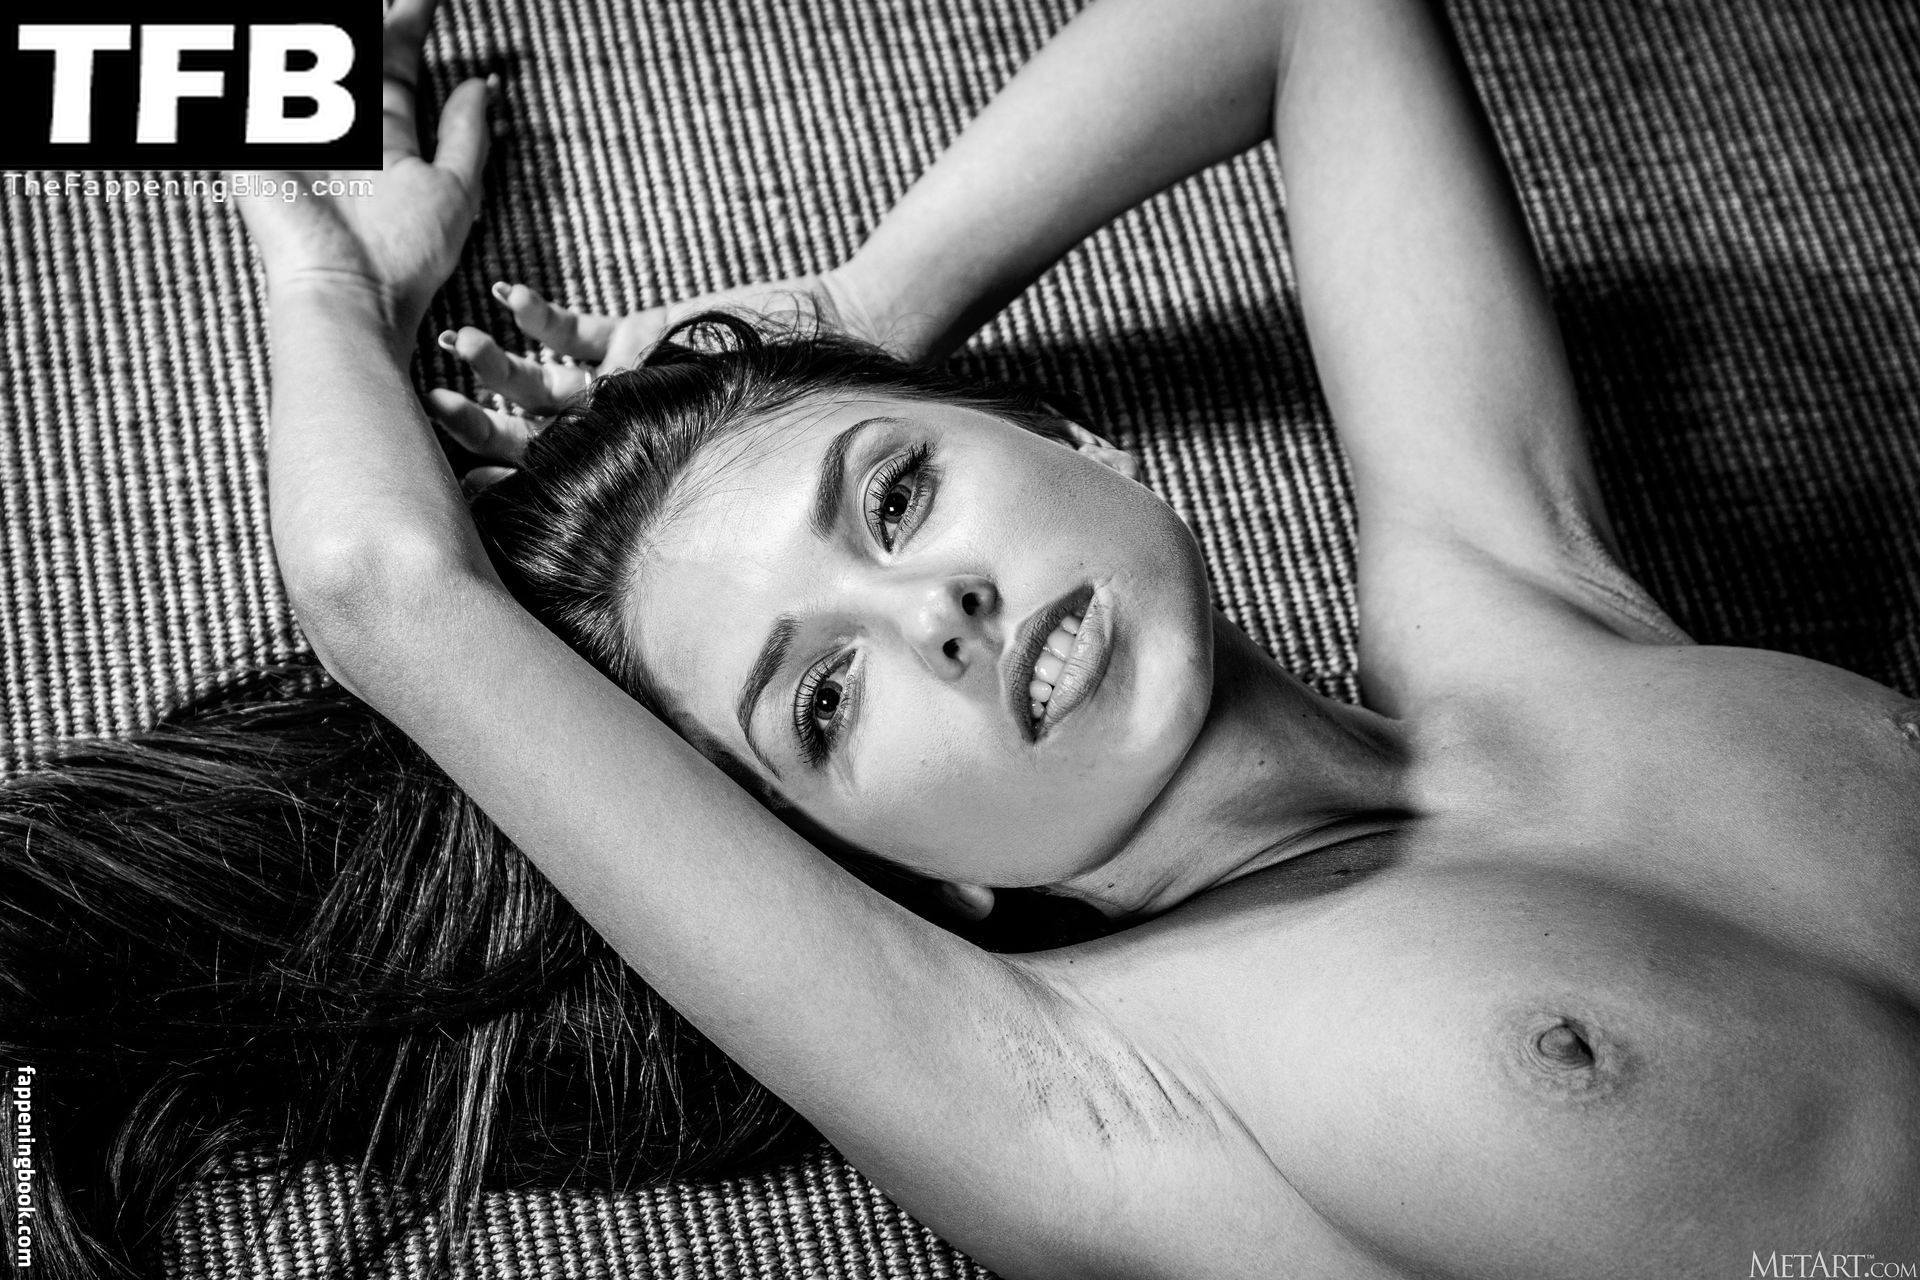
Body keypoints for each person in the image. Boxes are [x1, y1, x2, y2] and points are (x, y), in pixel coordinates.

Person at [13, 0, 1919, 1275]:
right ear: (886, 872)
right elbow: (386, 595)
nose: (934, 616)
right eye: (825, 699)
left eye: (902, 497)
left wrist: (862, 303)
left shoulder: (1511, 595)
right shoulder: (1102, 1097)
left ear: (1070, 438)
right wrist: (325, 282)